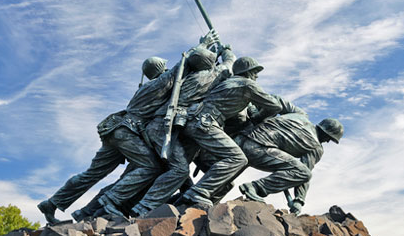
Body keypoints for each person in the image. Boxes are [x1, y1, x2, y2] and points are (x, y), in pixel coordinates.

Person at [36, 56, 168, 225]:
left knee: (91, 174)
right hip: (127, 133)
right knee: (151, 167)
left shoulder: (148, 86)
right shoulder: (157, 83)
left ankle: (52, 203)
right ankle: (110, 201)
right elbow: (184, 68)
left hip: (117, 131)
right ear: (160, 69)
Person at [129, 45, 236, 216]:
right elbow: (229, 63)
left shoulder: (185, 78)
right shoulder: (210, 75)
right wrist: (225, 51)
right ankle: (144, 208)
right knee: (179, 169)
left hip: (166, 126)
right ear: (209, 63)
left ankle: (184, 203)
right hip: (163, 127)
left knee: (180, 167)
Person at [180, 56, 283, 207]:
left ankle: (185, 205)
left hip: (196, 122)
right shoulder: (247, 85)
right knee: (238, 159)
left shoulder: (227, 83)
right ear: (247, 72)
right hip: (205, 123)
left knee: (227, 183)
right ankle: (198, 192)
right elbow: (275, 106)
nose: (257, 76)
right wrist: (256, 118)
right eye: (255, 72)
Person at [237, 113, 343, 215]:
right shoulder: (315, 146)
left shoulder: (300, 117)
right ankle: (255, 187)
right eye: (330, 138)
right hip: (257, 149)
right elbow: (304, 173)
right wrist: (299, 201)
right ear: (326, 133)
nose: (328, 141)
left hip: (240, 139)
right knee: (303, 173)